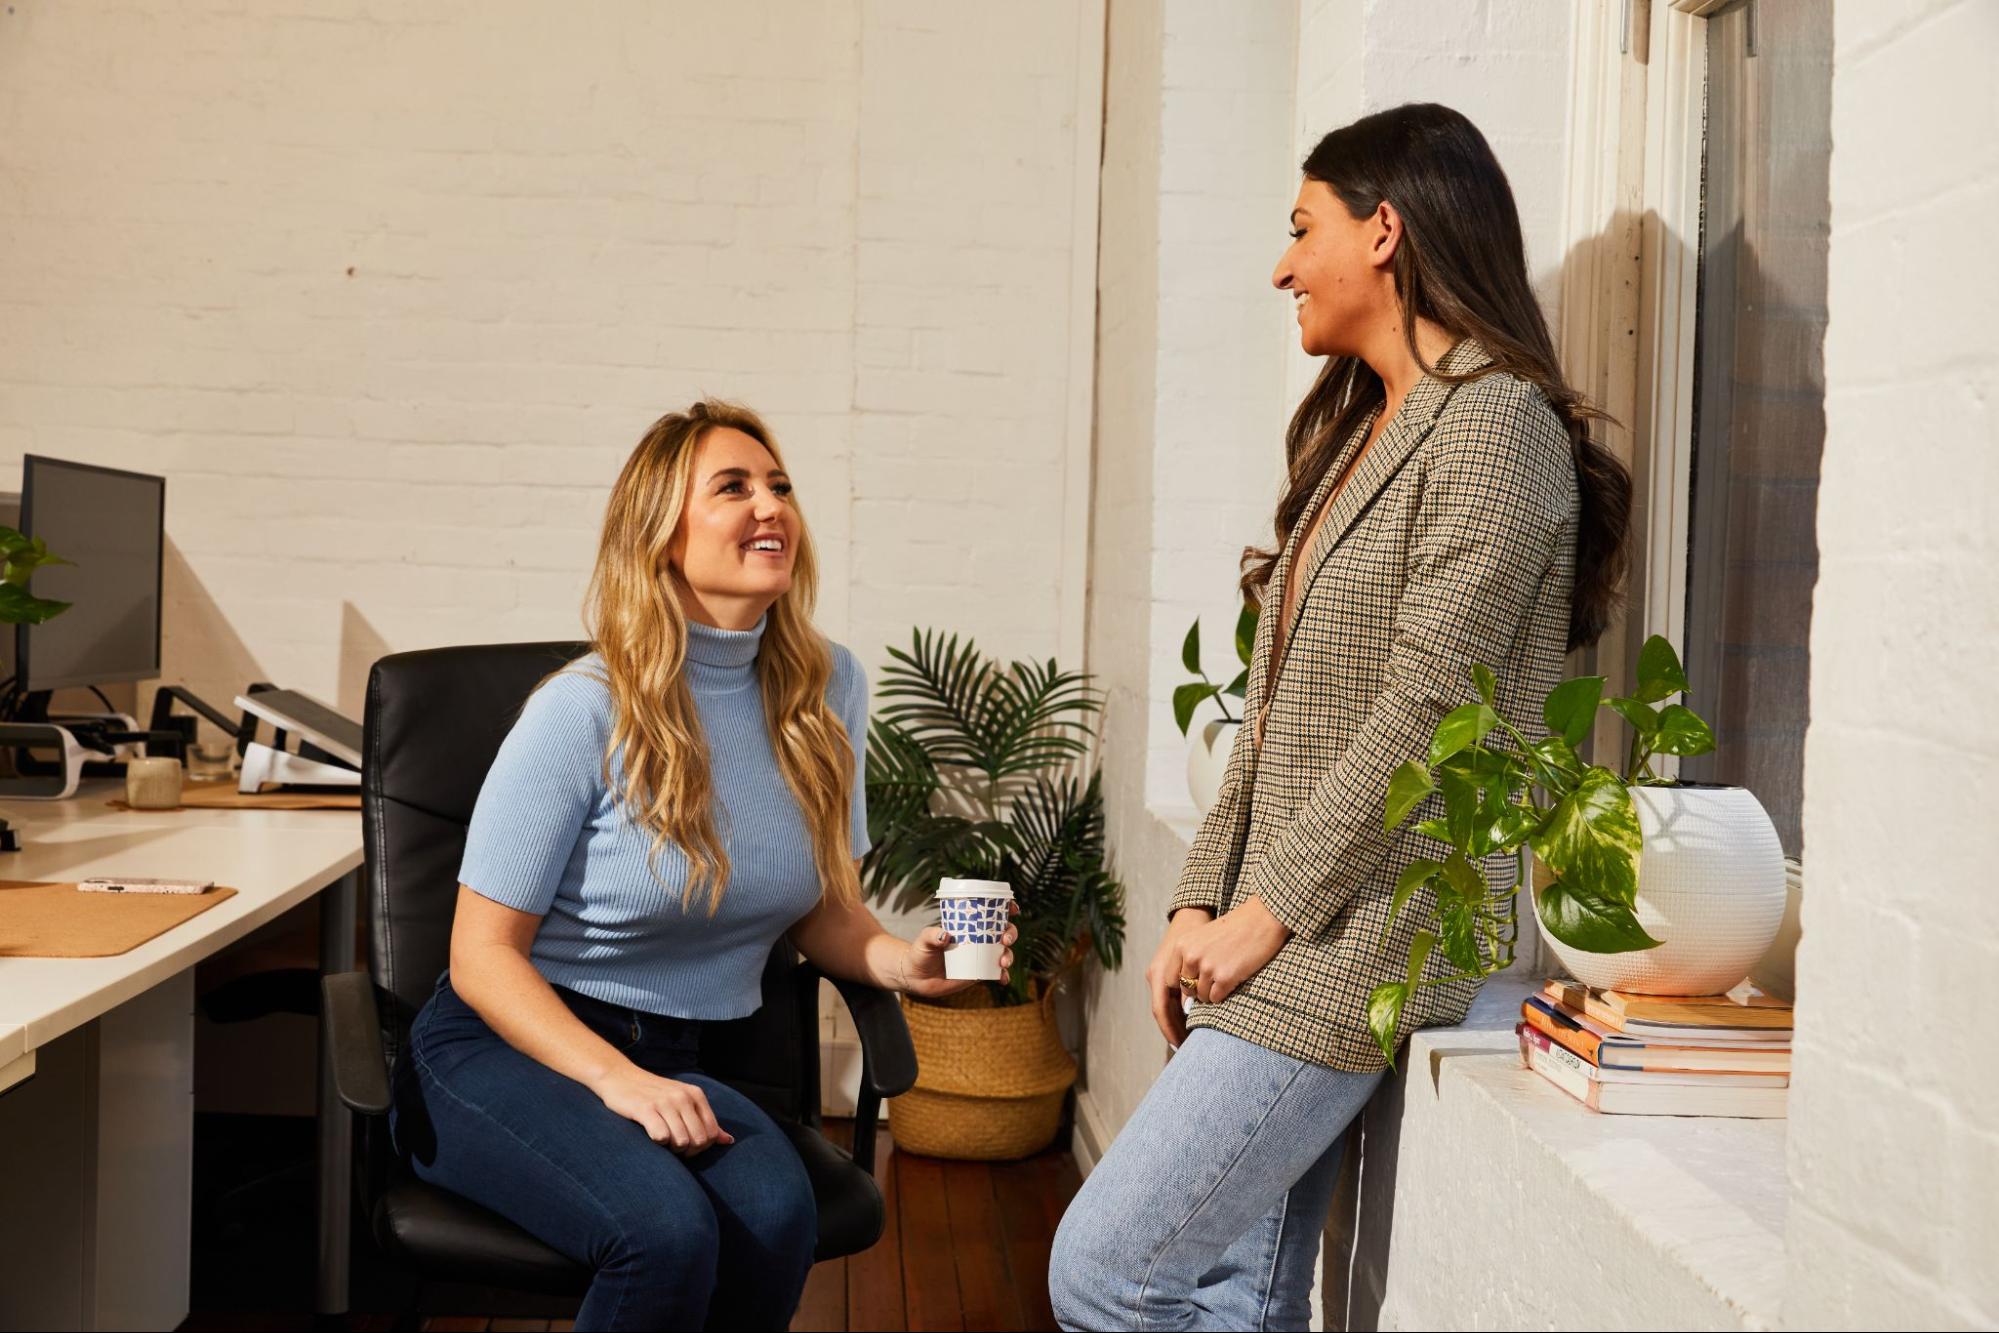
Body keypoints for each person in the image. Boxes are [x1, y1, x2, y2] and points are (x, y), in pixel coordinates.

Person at [1049, 103, 1631, 1331]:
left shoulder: (1495, 428)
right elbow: (1275, 715)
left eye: (1299, 228)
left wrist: (1264, 913)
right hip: (1295, 925)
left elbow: (1427, 711)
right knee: (1240, 1298)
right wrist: (1198, 897)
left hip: (1363, 936)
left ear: (1383, 231)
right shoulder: (1372, 428)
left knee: (1104, 1269)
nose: (1278, 264)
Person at [391, 400, 1018, 1332]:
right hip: (504, 1052)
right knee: (663, 1233)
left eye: (781, 486)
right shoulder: (582, 710)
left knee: (777, 1215)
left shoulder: (826, 687)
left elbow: (824, 910)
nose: (770, 505)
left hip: (674, 1058)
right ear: (660, 533)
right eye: (733, 487)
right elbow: (482, 958)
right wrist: (618, 1080)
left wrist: (899, 960)